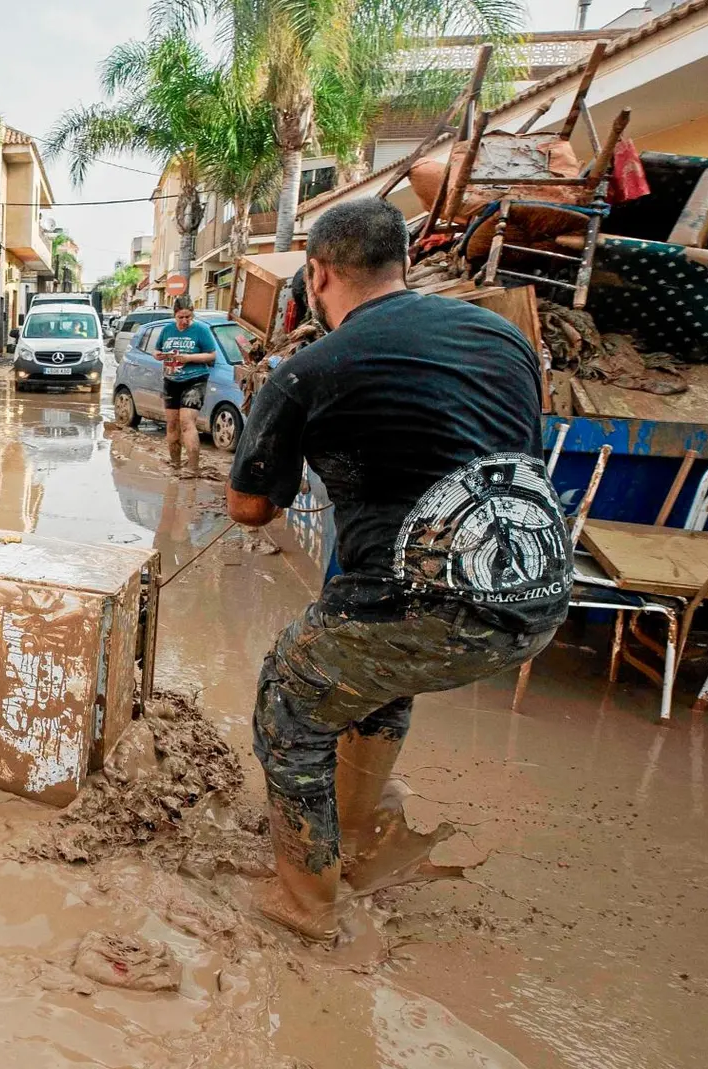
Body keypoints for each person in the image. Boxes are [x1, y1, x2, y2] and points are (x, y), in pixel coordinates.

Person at [225, 198, 571, 943]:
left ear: (315, 275)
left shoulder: (308, 369)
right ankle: (351, 829)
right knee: (374, 674)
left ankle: (309, 903)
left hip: (423, 602)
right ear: (403, 264)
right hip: (536, 589)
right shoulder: (503, 338)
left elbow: (249, 507)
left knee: (289, 699)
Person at [153, 296, 220, 474]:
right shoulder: (167, 330)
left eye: (188, 317)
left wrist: (189, 358)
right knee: (172, 423)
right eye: (180, 317)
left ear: (192, 315)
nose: (184, 321)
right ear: (174, 315)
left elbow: (212, 355)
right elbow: (157, 349)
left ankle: (193, 468)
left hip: (195, 380)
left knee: (186, 422)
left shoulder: (201, 330)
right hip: (171, 379)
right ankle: (175, 464)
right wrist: (158, 355)